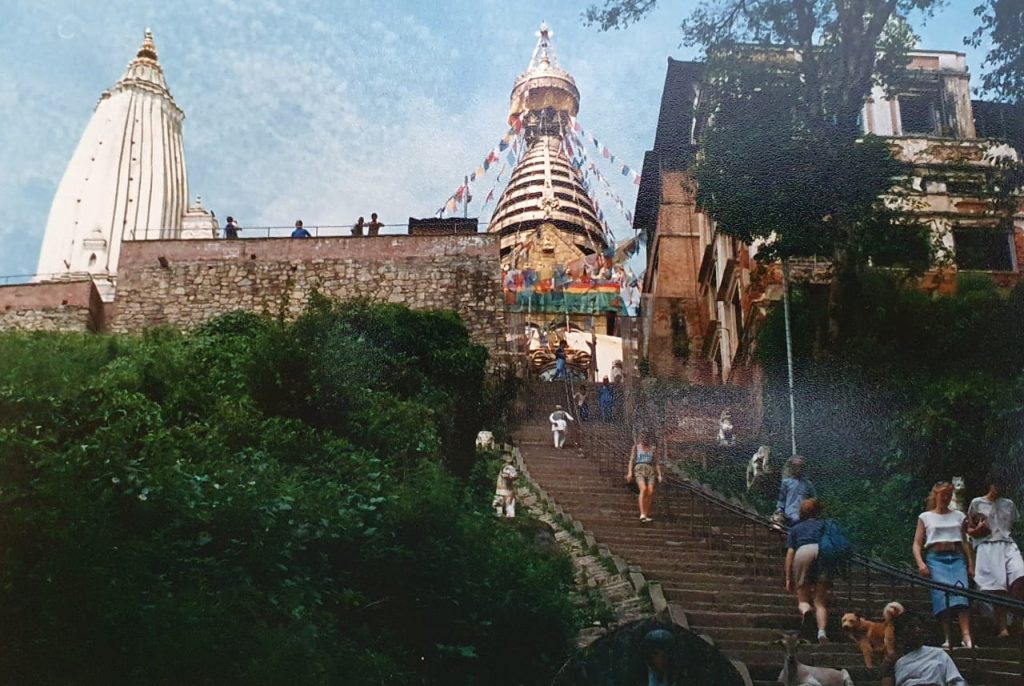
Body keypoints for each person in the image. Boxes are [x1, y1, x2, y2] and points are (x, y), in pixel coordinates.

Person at [912, 481, 975, 650]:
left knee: (961, 594)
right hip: (936, 559)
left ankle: (966, 636)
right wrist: (921, 563)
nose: (946, 498)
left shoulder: (959, 516)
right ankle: (947, 637)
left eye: (949, 495)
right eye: (943, 495)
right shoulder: (925, 517)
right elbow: (917, 544)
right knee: (942, 596)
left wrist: (970, 563)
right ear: (936, 496)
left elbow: (964, 541)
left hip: (956, 557)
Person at [967, 466, 1023, 637]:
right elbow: (968, 531)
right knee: (997, 587)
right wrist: (972, 560)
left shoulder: (1009, 504)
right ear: (991, 484)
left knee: (1020, 576)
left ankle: (1020, 620)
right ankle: (1002, 627)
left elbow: (1012, 525)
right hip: (987, 546)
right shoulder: (977, 503)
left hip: (1007, 544)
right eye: (997, 484)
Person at [783, 498, 831, 644]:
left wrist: (788, 577)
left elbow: (790, 553)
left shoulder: (796, 528)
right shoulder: (825, 525)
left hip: (803, 552)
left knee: (803, 599)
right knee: (820, 601)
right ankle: (822, 632)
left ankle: (806, 611)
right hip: (823, 553)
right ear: (818, 511)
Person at [881, 612, 967, 686]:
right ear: (900, 633)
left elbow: (957, 681)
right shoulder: (894, 661)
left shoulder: (938, 654)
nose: (917, 630)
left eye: (919, 627)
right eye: (911, 627)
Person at [626, 432, 662, 523]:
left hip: (650, 469)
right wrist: (630, 473)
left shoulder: (653, 449)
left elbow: (656, 463)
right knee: (643, 489)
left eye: (645, 438)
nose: (644, 440)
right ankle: (642, 514)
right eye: (642, 438)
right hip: (639, 468)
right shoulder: (636, 447)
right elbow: (631, 460)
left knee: (650, 491)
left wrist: (659, 474)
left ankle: (645, 514)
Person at [774, 456, 816, 527]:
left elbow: (813, 499)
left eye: (800, 467)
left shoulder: (808, 484)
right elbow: (782, 499)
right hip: (789, 516)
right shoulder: (786, 482)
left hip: (804, 517)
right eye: (795, 467)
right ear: (791, 468)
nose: (798, 469)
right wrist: (780, 510)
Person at [493, 454, 518, 518]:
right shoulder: (508, 467)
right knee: (509, 505)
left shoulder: (503, 467)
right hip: (507, 490)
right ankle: (509, 518)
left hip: (500, 490)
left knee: (499, 505)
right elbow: (513, 476)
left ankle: (500, 518)